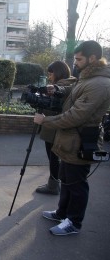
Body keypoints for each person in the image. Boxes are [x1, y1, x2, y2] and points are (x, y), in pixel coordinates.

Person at [34, 40, 110, 235]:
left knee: (77, 184)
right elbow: (74, 91)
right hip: (70, 140)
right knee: (66, 179)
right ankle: (62, 213)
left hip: (81, 140)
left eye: (78, 59)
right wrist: (57, 89)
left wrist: (46, 121)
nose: (75, 63)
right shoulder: (86, 78)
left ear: (92, 58)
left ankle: (74, 223)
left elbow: (76, 116)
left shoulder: (100, 84)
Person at [36, 61, 76, 195]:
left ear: (58, 72)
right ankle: (54, 184)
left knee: (53, 158)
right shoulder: (71, 84)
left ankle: (53, 186)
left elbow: (56, 108)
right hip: (56, 126)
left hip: (53, 127)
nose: (49, 76)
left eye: (50, 73)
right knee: (56, 158)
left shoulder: (61, 87)